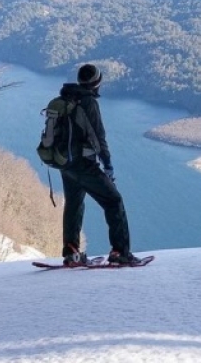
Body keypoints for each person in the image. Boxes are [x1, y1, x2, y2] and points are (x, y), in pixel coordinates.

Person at [58, 63, 141, 266]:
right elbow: (99, 137)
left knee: (74, 205)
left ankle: (71, 252)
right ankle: (120, 252)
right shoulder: (89, 103)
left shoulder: (65, 98)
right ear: (97, 82)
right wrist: (108, 164)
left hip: (65, 164)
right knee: (113, 201)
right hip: (84, 165)